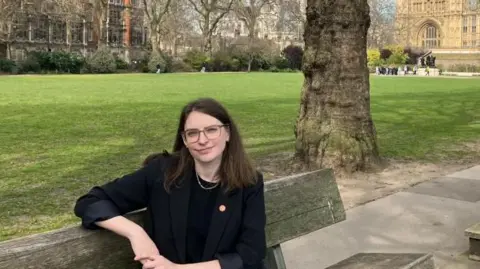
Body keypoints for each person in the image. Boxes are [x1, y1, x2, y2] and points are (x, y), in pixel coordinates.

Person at [74, 97, 267, 269]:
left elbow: (251, 254)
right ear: (184, 139)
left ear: (228, 133)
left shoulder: (248, 182)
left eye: (211, 130)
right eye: (192, 133)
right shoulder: (163, 172)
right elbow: (90, 202)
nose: (202, 140)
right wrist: (135, 232)